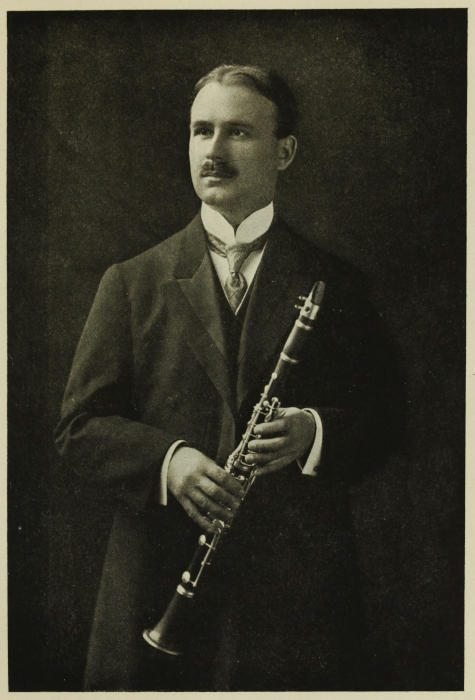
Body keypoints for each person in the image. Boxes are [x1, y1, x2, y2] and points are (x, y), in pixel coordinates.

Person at [55, 64, 398, 691]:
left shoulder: (338, 284)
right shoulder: (131, 282)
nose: (213, 150)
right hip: (155, 581)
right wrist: (170, 463)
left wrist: (313, 431)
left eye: (238, 132)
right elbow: (79, 428)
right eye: (201, 131)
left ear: (284, 151)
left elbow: (389, 423)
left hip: (294, 601)